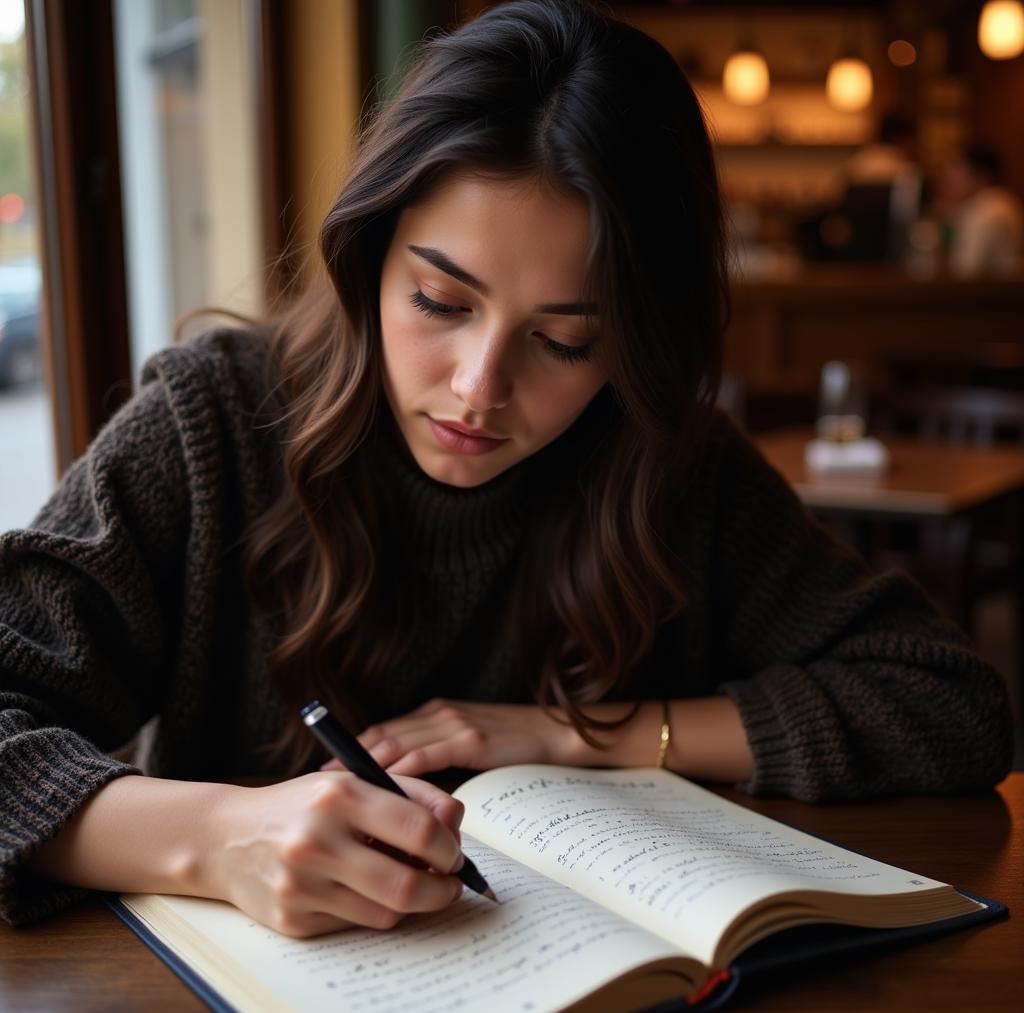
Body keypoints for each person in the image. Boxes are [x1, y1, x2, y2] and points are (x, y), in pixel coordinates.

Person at [0, 0, 1012, 939]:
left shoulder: (673, 467)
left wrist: (579, 736)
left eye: (566, 341)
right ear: (370, 257)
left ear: (631, 345)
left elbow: (954, 708)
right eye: (440, 302)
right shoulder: (209, 423)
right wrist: (215, 840)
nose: (478, 389)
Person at [940, 144, 1024, 277]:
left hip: (993, 294)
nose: (949, 176)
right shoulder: (1004, 201)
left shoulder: (985, 210)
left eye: (957, 168)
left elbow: (966, 270)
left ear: (983, 175)